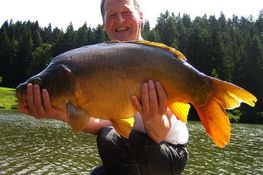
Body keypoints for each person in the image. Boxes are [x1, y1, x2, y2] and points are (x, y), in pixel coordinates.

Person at [18, 0, 189, 174]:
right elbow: (103, 124)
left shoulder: (156, 60)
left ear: (141, 16)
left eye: (126, 12)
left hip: (170, 152)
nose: (120, 20)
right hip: (132, 150)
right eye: (112, 15)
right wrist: (55, 112)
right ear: (104, 24)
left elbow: (159, 135)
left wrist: (153, 117)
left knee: (110, 139)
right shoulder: (102, 63)